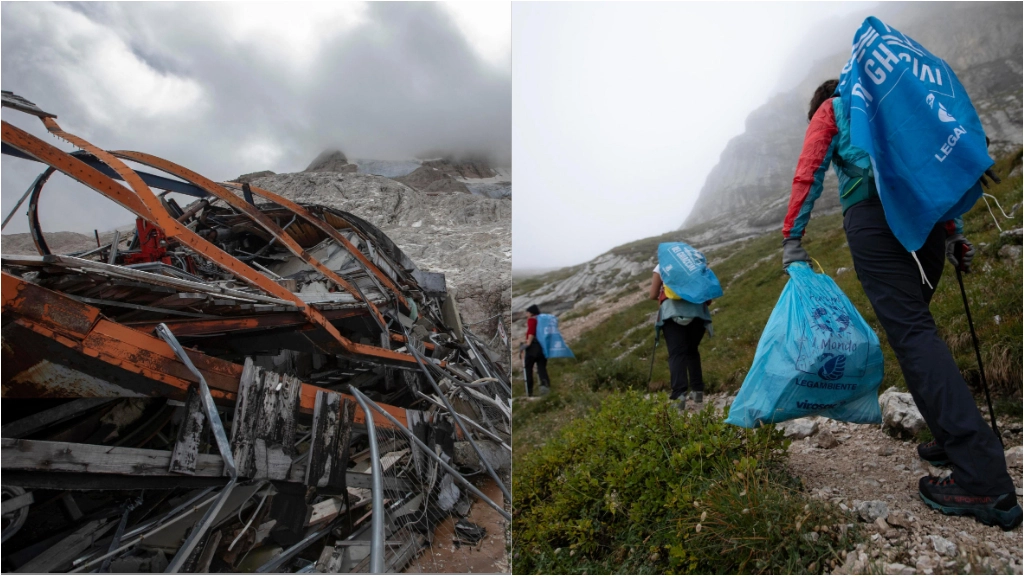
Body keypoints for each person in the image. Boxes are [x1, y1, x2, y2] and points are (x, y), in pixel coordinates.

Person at [782, 79, 1021, 530]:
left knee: (911, 332)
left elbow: (808, 170)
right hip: (925, 222)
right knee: (915, 329)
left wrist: (792, 239)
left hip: (874, 223)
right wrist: (954, 233)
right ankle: (952, 440)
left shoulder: (832, 109)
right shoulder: (888, 106)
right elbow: (928, 166)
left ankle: (984, 476)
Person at [649, 264, 713, 410]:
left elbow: (653, 294)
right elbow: (708, 292)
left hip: (672, 312)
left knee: (676, 353)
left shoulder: (662, 265)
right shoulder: (698, 264)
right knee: (692, 350)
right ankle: (697, 392)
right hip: (698, 312)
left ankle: (679, 396)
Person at [521, 304, 550, 397]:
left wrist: (528, 343)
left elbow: (531, 332)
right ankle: (545, 388)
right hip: (543, 348)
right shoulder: (542, 321)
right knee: (542, 368)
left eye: (527, 312)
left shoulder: (532, 320)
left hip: (533, 348)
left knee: (528, 369)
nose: (526, 314)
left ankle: (529, 392)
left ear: (531, 313)